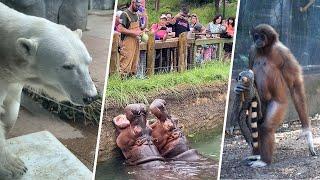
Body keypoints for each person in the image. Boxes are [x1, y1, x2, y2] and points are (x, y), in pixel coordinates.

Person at [118, 0, 143, 77]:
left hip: (136, 41)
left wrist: (143, 31)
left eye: (139, 6)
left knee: (134, 62)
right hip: (127, 42)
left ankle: (131, 79)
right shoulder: (124, 14)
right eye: (137, 6)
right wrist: (134, 33)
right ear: (132, 2)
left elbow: (140, 28)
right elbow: (120, 29)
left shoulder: (137, 15)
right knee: (125, 62)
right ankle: (121, 80)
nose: (138, 8)